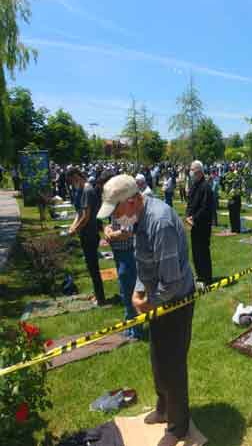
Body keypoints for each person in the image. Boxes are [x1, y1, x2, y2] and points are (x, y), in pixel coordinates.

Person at [97, 175, 195, 446]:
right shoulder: (139, 216)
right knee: (157, 357)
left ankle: (178, 427)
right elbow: (145, 260)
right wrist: (139, 290)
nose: (114, 218)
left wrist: (149, 302)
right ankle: (164, 408)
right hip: (158, 295)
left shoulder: (160, 222)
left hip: (176, 300)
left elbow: (171, 281)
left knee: (173, 363)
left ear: (131, 201)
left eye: (115, 211)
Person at [99, 171, 142, 340]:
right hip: (119, 252)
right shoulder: (116, 203)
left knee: (130, 290)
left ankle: (136, 329)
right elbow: (112, 223)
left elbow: (128, 232)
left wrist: (112, 235)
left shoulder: (127, 202)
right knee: (124, 290)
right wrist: (108, 229)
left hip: (128, 253)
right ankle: (129, 324)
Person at [67, 167, 106, 305]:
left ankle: (101, 298)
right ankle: (97, 294)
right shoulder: (82, 190)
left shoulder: (87, 191)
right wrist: (73, 226)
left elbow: (86, 216)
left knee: (93, 268)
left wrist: (75, 230)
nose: (72, 184)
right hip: (85, 233)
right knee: (91, 267)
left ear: (77, 176)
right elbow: (79, 213)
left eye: (72, 181)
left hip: (90, 234)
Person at [186, 160, 214, 285]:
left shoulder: (206, 187)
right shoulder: (194, 185)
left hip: (202, 225)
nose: (190, 172)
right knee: (196, 251)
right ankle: (200, 275)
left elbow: (205, 208)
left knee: (203, 251)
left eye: (192, 170)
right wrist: (188, 216)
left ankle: (207, 277)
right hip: (194, 225)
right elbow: (190, 203)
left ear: (199, 171)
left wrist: (194, 219)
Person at [225, 165, 243, 233]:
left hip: (236, 198)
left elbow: (237, 188)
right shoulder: (229, 180)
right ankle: (233, 228)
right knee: (232, 215)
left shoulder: (237, 179)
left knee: (236, 215)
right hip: (231, 198)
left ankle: (237, 229)